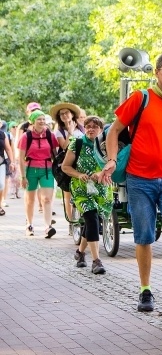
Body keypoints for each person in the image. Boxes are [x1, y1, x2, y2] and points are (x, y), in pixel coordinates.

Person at [101, 50, 162, 315]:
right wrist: (111, 160)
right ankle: (145, 290)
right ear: (157, 72)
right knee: (143, 235)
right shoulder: (141, 98)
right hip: (140, 178)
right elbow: (114, 130)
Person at [61, 115, 112, 275]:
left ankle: (80, 253)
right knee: (91, 218)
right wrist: (78, 174)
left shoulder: (106, 145)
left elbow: (113, 163)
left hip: (101, 188)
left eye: (95, 126)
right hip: (81, 188)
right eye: (88, 126)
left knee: (92, 222)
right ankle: (96, 261)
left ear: (100, 129)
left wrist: (103, 172)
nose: (91, 129)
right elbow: (65, 167)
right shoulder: (77, 143)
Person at [17, 109, 59, 238]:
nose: (42, 121)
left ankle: (48, 227)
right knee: (30, 200)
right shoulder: (26, 137)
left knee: (47, 199)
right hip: (31, 170)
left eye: (43, 119)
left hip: (47, 170)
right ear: (33, 122)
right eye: (38, 119)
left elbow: (55, 154)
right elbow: (21, 158)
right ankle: (29, 224)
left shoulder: (50, 135)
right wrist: (23, 176)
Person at [50, 102, 84, 220]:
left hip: (81, 162)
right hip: (67, 163)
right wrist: (69, 131)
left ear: (72, 114)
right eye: (61, 114)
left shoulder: (81, 128)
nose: (64, 115)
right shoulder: (59, 131)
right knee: (67, 193)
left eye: (66, 113)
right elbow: (64, 146)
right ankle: (71, 221)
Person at [0, 120, 16, 213]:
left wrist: (12, 162)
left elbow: (8, 149)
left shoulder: (3, 135)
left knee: (1, 184)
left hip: (1, 162)